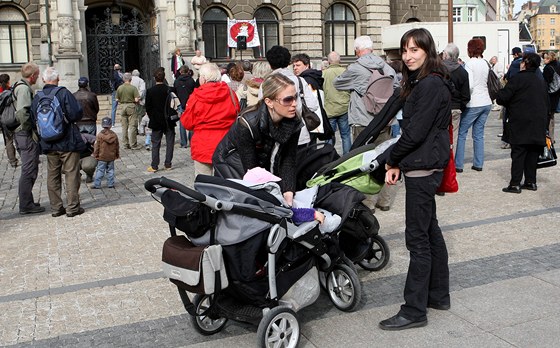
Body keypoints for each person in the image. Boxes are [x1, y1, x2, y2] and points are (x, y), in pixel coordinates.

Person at [380, 28, 451, 331]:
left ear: (427, 52)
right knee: (430, 230)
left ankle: (414, 310)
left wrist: (391, 159)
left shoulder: (429, 85)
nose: (408, 57)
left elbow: (415, 132)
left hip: (423, 168)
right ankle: (438, 295)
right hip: (423, 164)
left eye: (415, 51)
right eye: (405, 50)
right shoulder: (423, 81)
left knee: (417, 240)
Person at [333, 36, 400, 212]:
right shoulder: (386, 66)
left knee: (365, 160)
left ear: (357, 50)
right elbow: (397, 86)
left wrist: (357, 87)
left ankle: (368, 202)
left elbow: (337, 83)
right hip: (385, 120)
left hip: (363, 121)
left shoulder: (355, 68)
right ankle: (384, 201)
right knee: (386, 158)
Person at [213, 74, 302, 206]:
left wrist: (288, 191)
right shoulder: (247, 122)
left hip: (260, 164)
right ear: (269, 102)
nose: (294, 104)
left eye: (296, 97)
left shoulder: (294, 121)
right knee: (245, 204)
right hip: (232, 163)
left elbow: (288, 159)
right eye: (288, 100)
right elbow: (252, 170)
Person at [32, 67, 86, 218]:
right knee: (71, 174)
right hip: (67, 141)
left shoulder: (37, 97)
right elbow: (76, 113)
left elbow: (32, 119)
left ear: (43, 80)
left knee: (52, 175)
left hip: (48, 143)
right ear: (58, 79)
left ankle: (56, 208)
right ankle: (72, 207)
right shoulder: (63, 93)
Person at [496, 53, 548, 194]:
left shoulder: (518, 78)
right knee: (532, 152)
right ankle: (531, 181)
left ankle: (515, 183)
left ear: (525, 63)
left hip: (521, 121)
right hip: (538, 121)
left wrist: (498, 92)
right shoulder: (540, 80)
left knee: (518, 152)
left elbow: (503, 97)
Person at [181, 63, 239, 176]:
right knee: (225, 184)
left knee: (203, 184)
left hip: (203, 145)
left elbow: (187, 123)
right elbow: (237, 113)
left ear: (203, 79)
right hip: (226, 144)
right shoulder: (230, 93)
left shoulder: (196, 96)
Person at [264, 45, 319, 145]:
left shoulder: (267, 83)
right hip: (299, 135)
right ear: (288, 62)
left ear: (270, 64)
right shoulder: (300, 80)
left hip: (274, 135)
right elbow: (313, 105)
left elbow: (263, 110)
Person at [455, 38, 493, 172]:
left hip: (474, 102)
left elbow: (469, 85)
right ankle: (478, 163)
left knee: (461, 133)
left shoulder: (469, 64)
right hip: (486, 101)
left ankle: (458, 165)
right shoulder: (485, 63)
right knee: (478, 134)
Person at [13, 63, 44, 214]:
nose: (38, 77)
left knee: (30, 167)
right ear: (32, 76)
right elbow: (22, 112)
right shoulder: (24, 89)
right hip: (24, 134)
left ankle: (28, 202)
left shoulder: (20, 86)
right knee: (29, 169)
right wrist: (29, 129)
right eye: (37, 75)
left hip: (21, 134)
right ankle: (25, 205)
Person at [145, 69, 177, 172]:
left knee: (155, 144)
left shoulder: (150, 91)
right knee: (170, 143)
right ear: (164, 78)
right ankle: (168, 164)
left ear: (155, 79)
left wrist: (152, 116)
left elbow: (148, 107)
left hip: (156, 120)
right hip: (169, 120)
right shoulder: (170, 89)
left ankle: (154, 166)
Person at [441, 43, 470, 149]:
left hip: (440, 107)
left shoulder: (438, 69)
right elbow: (466, 95)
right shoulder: (463, 72)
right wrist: (460, 106)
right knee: (453, 137)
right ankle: (451, 161)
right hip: (455, 107)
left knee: (439, 136)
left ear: (446, 55)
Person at [322, 51, 352, 154]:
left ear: (329, 61)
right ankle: (346, 157)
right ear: (340, 60)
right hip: (344, 107)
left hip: (329, 109)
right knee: (346, 135)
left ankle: (328, 157)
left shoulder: (324, 73)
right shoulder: (346, 71)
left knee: (329, 136)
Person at [92, 117, 120, 188]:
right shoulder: (114, 135)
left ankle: (97, 184)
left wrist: (95, 155)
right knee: (110, 170)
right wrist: (117, 154)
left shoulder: (99, 135)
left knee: (100, 170)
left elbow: (97, 146)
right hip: (111, 156)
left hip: (102, 157)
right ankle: (110, 184)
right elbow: (117, 146)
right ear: (110, 125)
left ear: (102, 125)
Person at [116, 72, 141, 149]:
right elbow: (136, 99)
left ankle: (125, 144)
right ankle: (133, 144)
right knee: (132, 126)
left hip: (123, 106)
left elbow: (117, 99)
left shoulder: (119, 88)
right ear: (131, 79)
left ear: (123, 79)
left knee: (124, 127)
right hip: (131, 106)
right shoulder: (133, 88)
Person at [174, 65, 196, 148]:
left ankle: (183, 143)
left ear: (180, 72)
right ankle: (191, 141)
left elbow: (175, 92)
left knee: (182, 123)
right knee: (191, 122)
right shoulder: (191, 81)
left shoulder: (177, 81)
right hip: (190, 103)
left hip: (180, 103)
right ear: (188, 71)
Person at [0, 73, 19, 168]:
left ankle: (12, 161)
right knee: (19, 138)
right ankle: (26, 158)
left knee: (8, 141)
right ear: (8, 81)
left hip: (4, 121)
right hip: (14, 118)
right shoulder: (12, 91)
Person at [542, 51, 560, 143]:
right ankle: (551, 138)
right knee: (552, 116)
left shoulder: (548, 68)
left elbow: (545, 83)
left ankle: (547, 137)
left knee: (547, 117)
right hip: (556, 94)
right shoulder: (558, 65)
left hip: (549, 95)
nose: (544, 60)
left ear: (549, 58)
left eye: (545, 58)